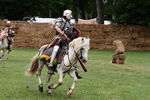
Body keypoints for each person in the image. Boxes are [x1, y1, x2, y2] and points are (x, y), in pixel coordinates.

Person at [46, 9, 82, 79]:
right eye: (70, 15)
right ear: (66, 15)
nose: (71, 16)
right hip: (58, 38)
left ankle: (75, 69)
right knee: (56, 49)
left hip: (67, 40)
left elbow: (71, 31)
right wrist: (61, 32)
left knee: (73, 52)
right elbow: (56, 26)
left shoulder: (69, 23)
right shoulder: (60, 20)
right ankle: (50, 64)